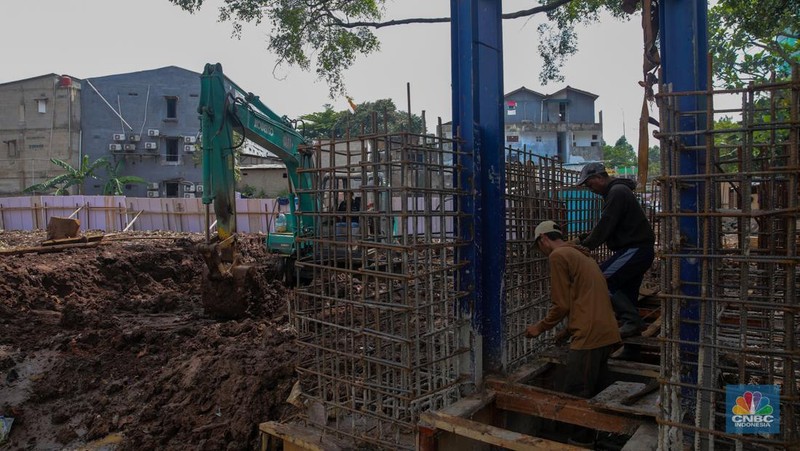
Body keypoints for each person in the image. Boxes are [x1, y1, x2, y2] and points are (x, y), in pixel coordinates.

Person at [526, 220, 621, 447]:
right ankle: (591, 437)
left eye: (538, 246)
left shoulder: (557, 257)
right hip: (605, 331)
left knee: (576, 394)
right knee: (592, 391)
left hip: (590, 336)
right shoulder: (581, 255)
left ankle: (579, 443)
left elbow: (562, 305)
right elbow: (585, 299)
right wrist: (566, 331)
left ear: (544, 239)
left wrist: (539, 328)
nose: (540, 251)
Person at [574, 162, 655, 339]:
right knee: (627, 295)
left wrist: (584, 246)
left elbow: (606, 225)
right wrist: (583, 238)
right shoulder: (618, 192)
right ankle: (632, 347)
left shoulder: (617, 192)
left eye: (590, 184)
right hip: (637, 251)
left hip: (635, 249)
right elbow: (611, 225)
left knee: (600, 280)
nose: (591, 189)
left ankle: (633, 321)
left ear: (599, 178)